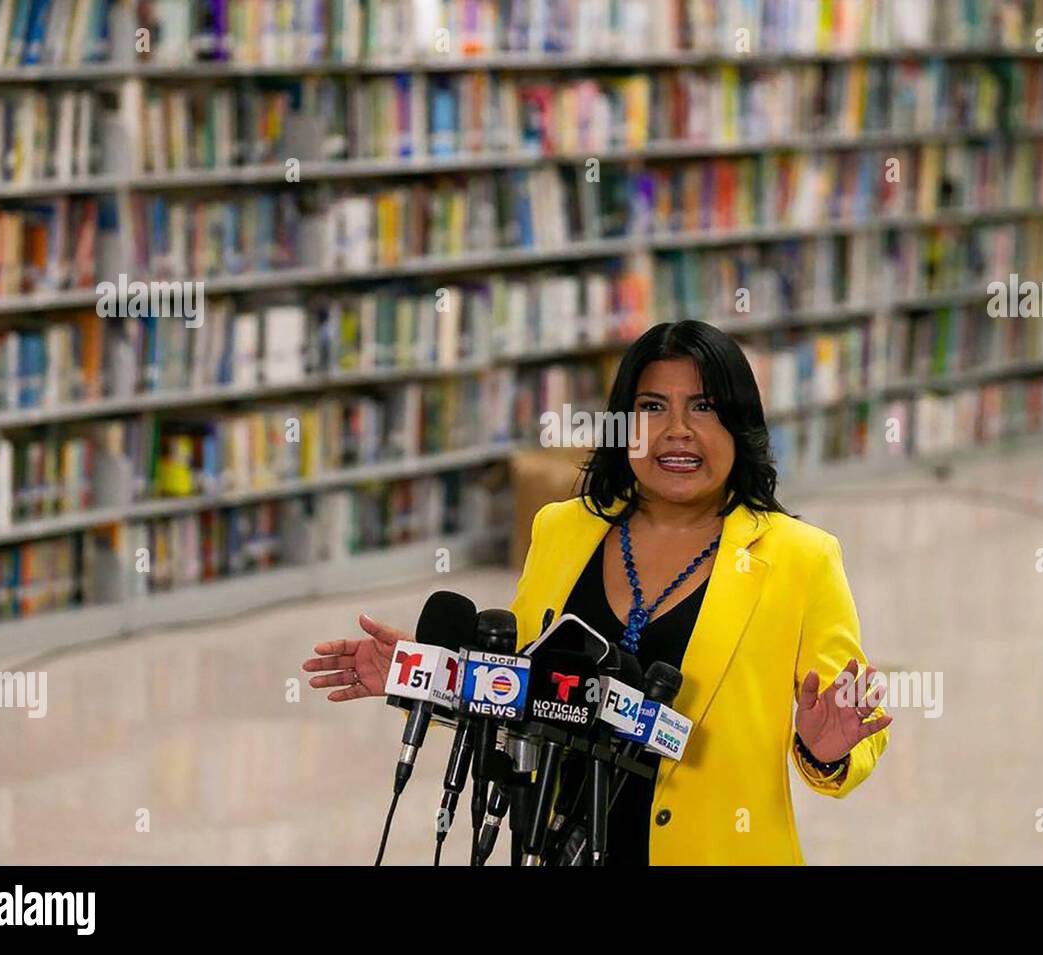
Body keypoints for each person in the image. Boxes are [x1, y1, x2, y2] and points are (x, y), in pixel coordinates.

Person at [303, 320, 891, 865]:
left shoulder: (801, 558)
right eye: (652, 407)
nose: (678, 430)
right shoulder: (563, 530)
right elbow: (517, 683)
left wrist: (826, 750)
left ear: (741, 426)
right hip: (557, 847)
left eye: (704, 407)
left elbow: (855, 724)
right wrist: (425, 673)